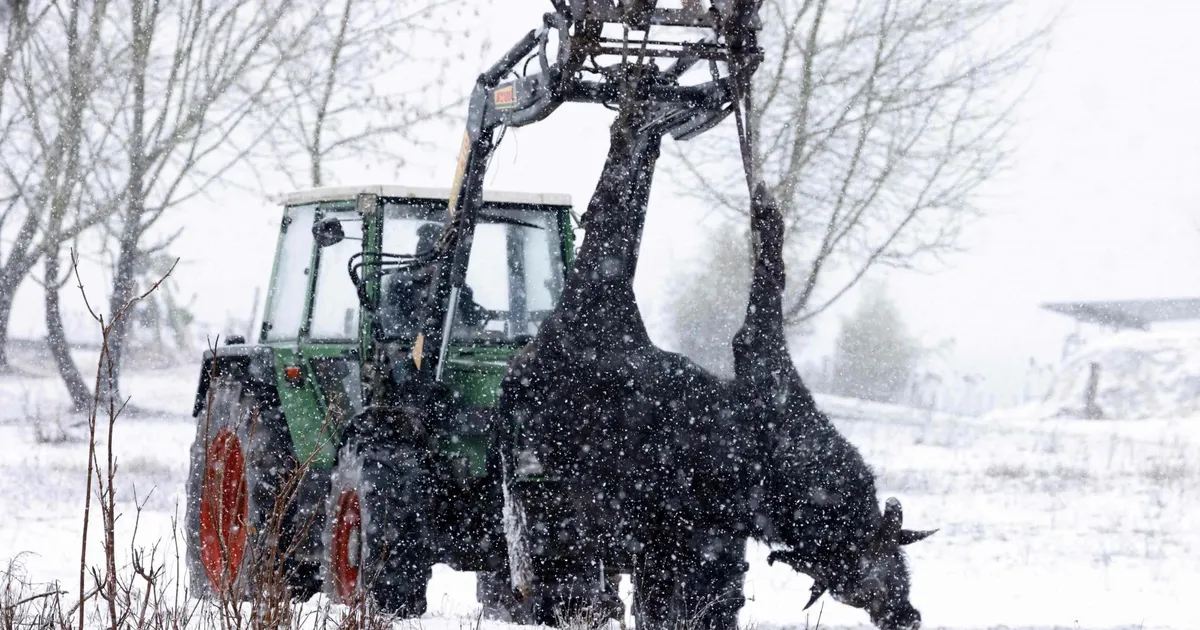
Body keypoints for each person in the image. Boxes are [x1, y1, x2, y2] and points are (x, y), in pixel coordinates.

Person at [379, 222, 491, 338]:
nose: (432, 268)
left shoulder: (458, 291)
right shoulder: (398, 287)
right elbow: (387, 327)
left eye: (439, 262)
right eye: (427, 260)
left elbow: (468, 333)